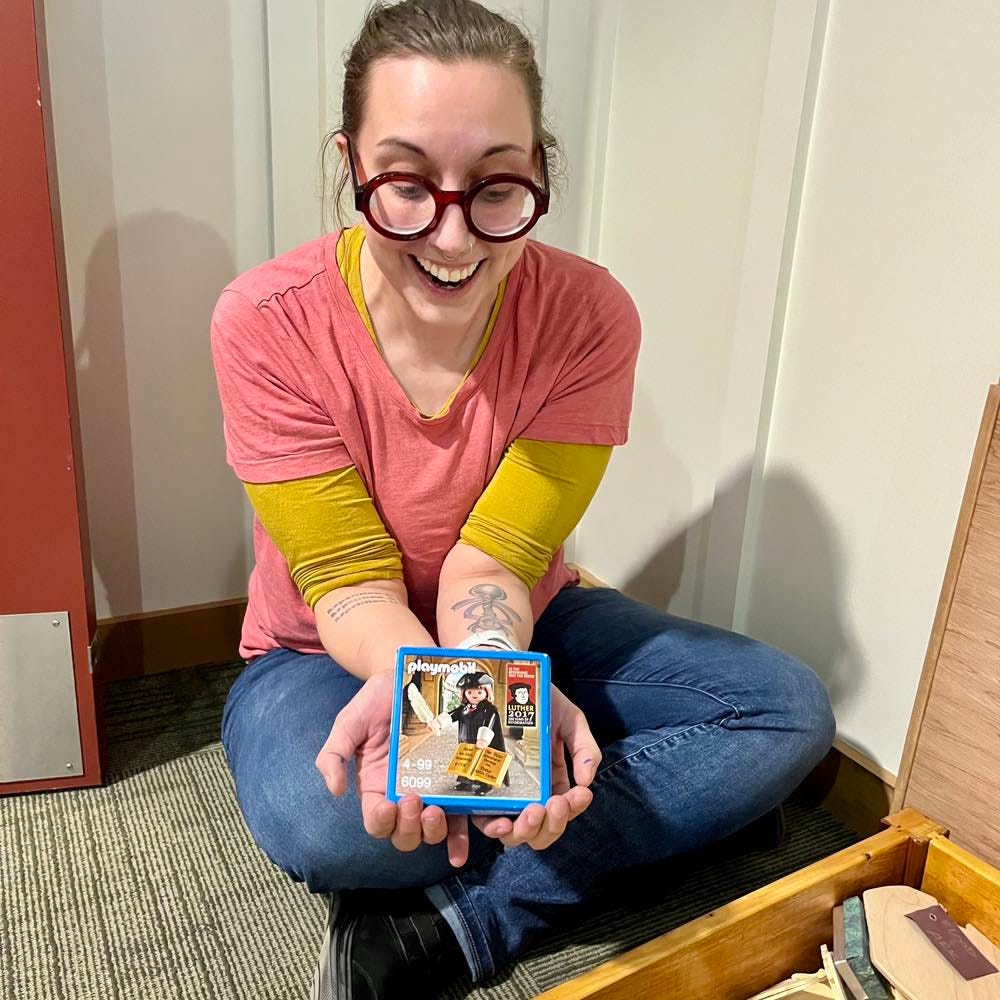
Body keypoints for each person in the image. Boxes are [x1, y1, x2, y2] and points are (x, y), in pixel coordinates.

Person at [209, 1, 836, 997]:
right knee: (334, 819)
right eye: (406, 183)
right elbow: (346, 580)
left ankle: (476, 916)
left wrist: (488, 692)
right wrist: (482, 738)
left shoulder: (588, 314)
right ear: (350, 163)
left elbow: (490, 560)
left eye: (498, 183)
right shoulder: (265, 321)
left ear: (540, 168)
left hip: (525, 619)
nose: (453, 235)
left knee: (783, 710)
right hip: (322, 656)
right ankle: (653, 815)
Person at [447, 670, 508, 794]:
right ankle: (466, 782)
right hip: (466, 741)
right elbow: (451, 715)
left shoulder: (489, 709)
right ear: (464, 694)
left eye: (479, 692)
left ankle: (486, 785)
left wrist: (484, 738)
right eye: (470, 692)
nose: (474, 696)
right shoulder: (464, 708)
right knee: (466, 762)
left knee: (483, 763)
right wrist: (439, 723)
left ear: (486, 692)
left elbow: (489, 723)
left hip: (483, 742)